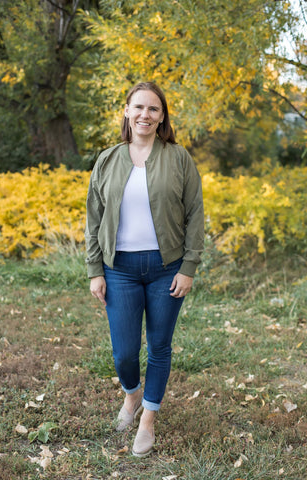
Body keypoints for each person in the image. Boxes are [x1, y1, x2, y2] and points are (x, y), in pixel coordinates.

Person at [85, 81, 204, 457]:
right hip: (118, 267)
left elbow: (195, 214)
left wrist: (189, 266)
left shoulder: (179, 157)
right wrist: (94, 269)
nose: (145, 115)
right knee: (123, 353)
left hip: (167, 268)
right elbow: (93, 217)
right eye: (138, 107)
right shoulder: (107, 159)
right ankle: (132, 394)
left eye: (153, 109)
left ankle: (148, 419)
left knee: (159, 345)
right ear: (126, 111)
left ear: (162, 116)